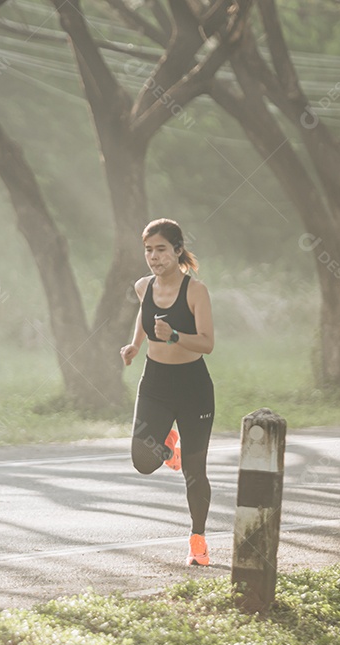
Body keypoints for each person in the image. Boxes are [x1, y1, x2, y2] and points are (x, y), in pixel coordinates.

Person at [120, 219, 215, 566]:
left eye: (161, 249)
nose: (154, 257)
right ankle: (167, 444)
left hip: (193, 387)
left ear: (177, 250)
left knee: (195, 471)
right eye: (148, 250)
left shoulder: (195, 291)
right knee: (143, 461)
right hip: (155, 383)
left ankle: (198, 540)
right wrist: (134, 345)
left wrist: (174, 335)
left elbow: (208, 343)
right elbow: (145, 318)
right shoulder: (143, 287)